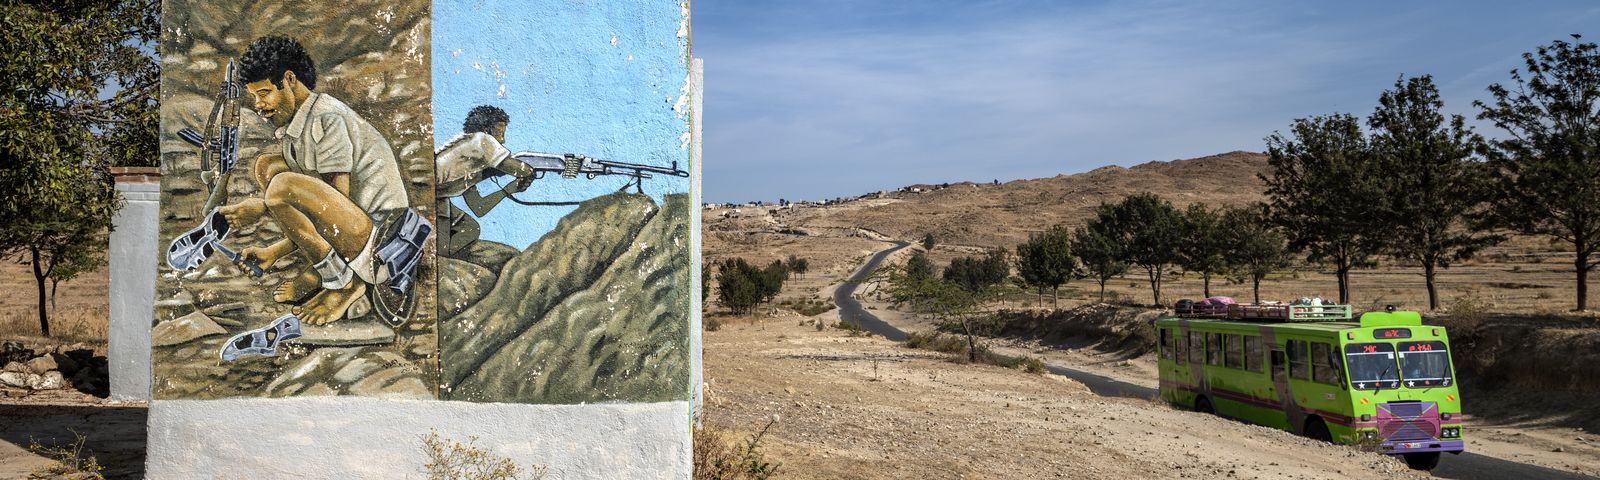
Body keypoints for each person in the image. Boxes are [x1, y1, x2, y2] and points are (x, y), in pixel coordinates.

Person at [216, 36, 410, 326]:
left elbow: (334, 203)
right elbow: (313, 210)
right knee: (268, 167)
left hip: (383, 242)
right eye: (255, 96)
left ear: (289, 79)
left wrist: (262, 207)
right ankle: (321, 271)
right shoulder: (299, 124)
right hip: (357, 229)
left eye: (264, 93)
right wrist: (273, 253)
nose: (259, 104)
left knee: (281, 187)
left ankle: (344, 284)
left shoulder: (326, 118)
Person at [433, 105, 538, 255]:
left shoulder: (468, 163)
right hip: (430, 196)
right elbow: (522, 169)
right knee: (441, 250)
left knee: (469, 228)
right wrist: (530, 171)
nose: (502, 140)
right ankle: (442, 259)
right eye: (500, 134)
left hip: (437, 196)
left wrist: (508, 190)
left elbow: (479, 207)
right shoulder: (482, 139)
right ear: (487, 130)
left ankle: (447, 259)